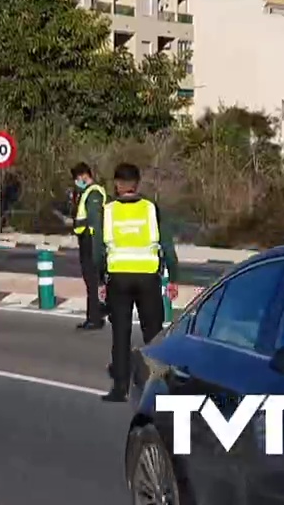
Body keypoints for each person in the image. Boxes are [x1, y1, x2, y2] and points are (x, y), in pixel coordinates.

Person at [96, 162, 179, 402]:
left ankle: (120, 388)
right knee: (153, 334)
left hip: (118, 279)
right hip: (148, 278)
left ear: (118, 185)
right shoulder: (151, 208)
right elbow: (167, 245)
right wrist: (173, 277)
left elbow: (98, 250)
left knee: (120, 334)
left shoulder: (108, 210)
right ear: (137, 184)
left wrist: (101, 279)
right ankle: (158, 385)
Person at [70, 163, 108, 331]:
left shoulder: (93, 193)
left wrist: (96, 249)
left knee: (93, 282)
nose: (77, 182)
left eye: (77, 178)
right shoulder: (85, 192)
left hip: (90, 241)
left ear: (84, 175)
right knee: (90, 282)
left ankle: (95, 318)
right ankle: (93, 315)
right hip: (85, 240)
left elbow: (95, 223)